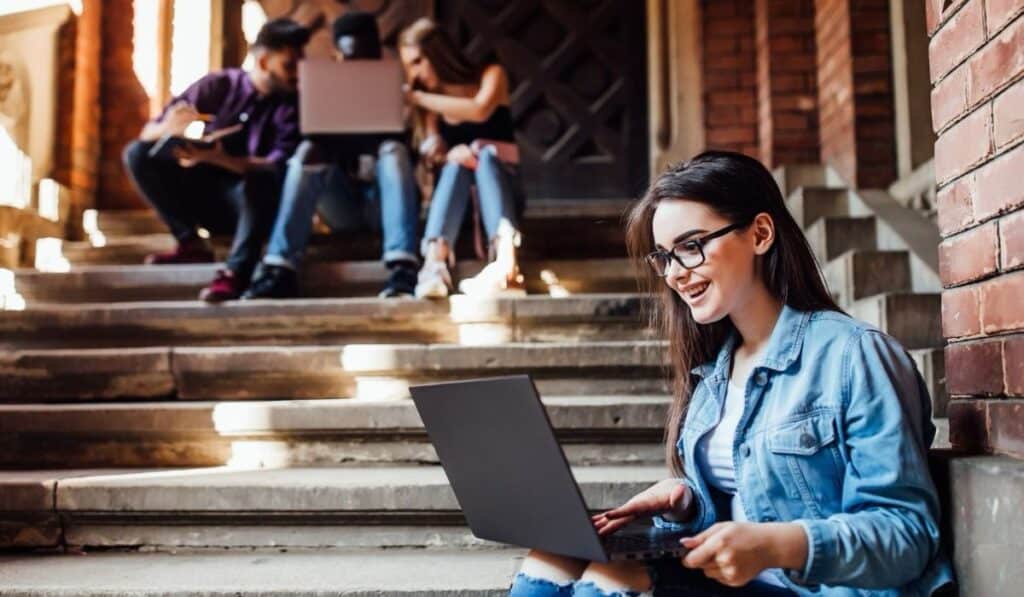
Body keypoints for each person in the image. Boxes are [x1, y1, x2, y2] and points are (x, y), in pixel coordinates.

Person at [509, 152, 954, 596]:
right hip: (741, 585)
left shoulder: (853, 355)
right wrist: (686, 501)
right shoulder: (714, 371)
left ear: (760, 234)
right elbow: (750, 494)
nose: (675, 274)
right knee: (551, 557)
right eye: (664, 257)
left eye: (691, 246)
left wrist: (777, 545)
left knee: (610, 579)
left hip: (826, 590)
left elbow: (907, 534)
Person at [123, 18, 308, 302]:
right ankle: (190, 243)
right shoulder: (218, 85)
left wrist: (220, 158)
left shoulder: (294, 106)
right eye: (289, 66)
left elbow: (277, 167)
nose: (297, 75)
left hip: (254, 206)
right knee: (137, 153)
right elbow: (148, 133)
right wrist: (170, 129)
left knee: (260, 180)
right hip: (203, 195)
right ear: (263, 62)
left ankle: (236, 273)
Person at [244, 11, 422, 299]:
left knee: (393, 150)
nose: (358, 69)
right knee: (307, 151)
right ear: (338, 57)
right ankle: (280, 268)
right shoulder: (319, 94)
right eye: (351, 59)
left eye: (366, 61)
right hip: (343, 206)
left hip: (384, 205)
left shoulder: (404, 93)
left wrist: (400, 117)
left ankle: (403, 267)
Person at [398, 17, 525, 299]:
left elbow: (479, 110)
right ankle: (434, 263)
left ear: (438, 54)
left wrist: (417, 99)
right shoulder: (431, 105)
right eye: (409, 66)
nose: (414, 73)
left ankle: (507, 264)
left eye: (418, 61)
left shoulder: (491, 74)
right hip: (460, 204)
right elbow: (436, 157)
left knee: (486, 157)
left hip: (503, 192)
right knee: (457, 163)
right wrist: (443, 153)